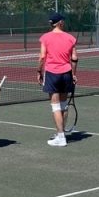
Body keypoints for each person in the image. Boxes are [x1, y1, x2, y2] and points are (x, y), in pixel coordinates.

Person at [37, 12, 78, 147]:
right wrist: (73, 74)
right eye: (63, 21)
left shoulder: (45, 38)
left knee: (56, 107)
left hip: (52, 74)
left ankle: (61, 137)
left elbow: (42, 57)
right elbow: (74, 58)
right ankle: (61, 134)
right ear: (60, 22)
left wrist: (39, 71)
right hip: (66, 74)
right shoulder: (70, 38)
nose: (64, 22)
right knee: (63, 105)